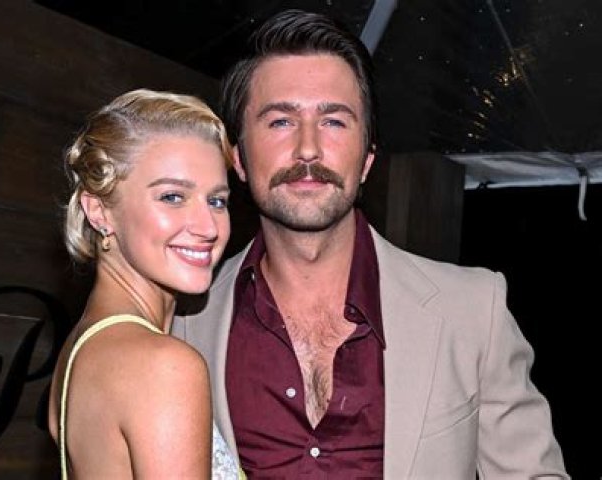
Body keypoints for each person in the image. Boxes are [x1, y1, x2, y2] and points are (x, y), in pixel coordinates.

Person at [172, 10, 568, 479]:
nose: (307, 149)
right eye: (280, 121)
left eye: (334, 122)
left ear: (367, 159)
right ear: (238, 158)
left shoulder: (473, 312)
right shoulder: (181, 324)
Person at [48, 89, 243, 479]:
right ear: (99, 211)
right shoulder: (164, 366)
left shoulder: (81, 351)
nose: (208, 227)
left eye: (217, 201)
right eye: (172, 197)